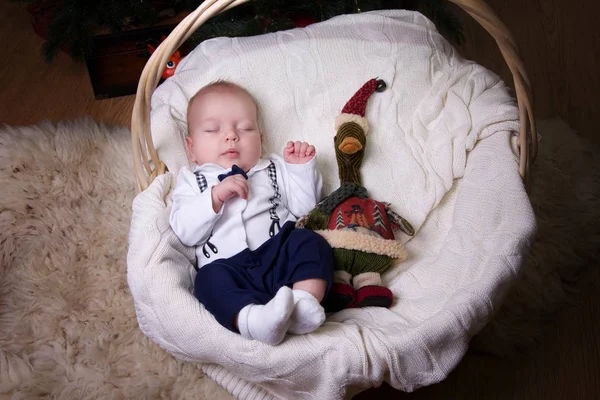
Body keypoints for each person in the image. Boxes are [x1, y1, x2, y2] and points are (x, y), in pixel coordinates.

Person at [169, 81, 334, 346]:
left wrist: (300, 170)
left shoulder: (273, 167)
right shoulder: (192, 181)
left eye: (244, 128)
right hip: (228, 267)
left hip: (278, 250)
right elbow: (185, 232)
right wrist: (215, 196)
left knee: (311, 243)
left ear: (261, 139)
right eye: (212, 130)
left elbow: (306, 209)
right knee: (206, 283)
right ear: (191, 149)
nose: (231, 136)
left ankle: (304, 304)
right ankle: (255, 320)